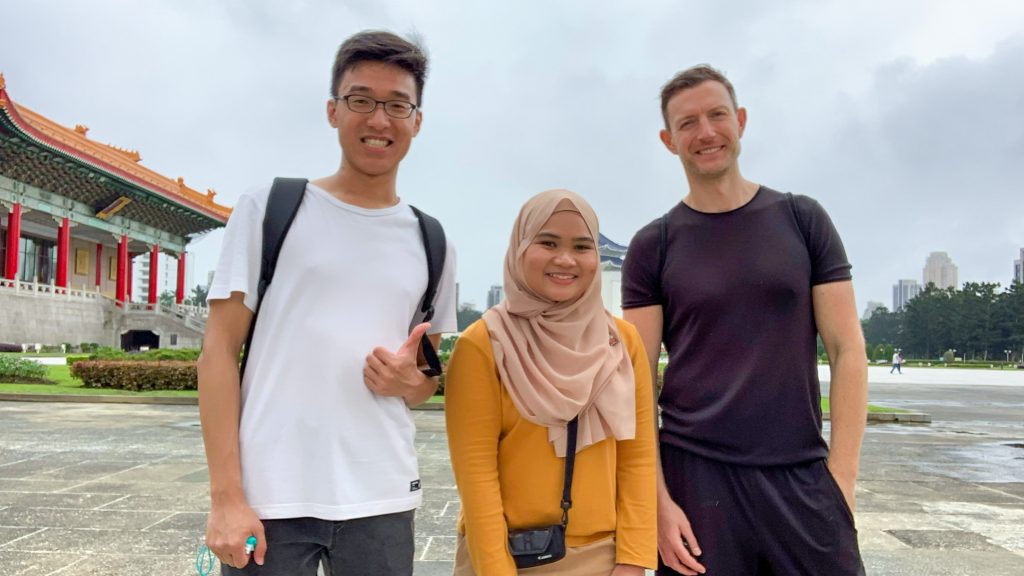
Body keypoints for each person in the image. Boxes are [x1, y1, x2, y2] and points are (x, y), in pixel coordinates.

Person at [197, 30, 456, 575]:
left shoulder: (433, 240)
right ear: (333, 110)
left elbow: (425, 378)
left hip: (382, 495)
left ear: (418, 120)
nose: (379, 120)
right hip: (269, 499)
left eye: (397, 105)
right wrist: (226, 498)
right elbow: (217, 352)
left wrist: (409, 383)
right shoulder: (271, 208)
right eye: (361, 100)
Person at [621, 65, 868, 576]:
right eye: (687, 123)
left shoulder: (803, 219)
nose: (706, 132)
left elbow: (847, 351)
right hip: (697, 479)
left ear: (741, 121)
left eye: (717, 115)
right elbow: (635, 381)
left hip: (801, 472)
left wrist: (841, 478)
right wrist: (658, 502)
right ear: (669, 141)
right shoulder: (654, 245)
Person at [445, 189, 657, 576]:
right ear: (520, 247)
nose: (565, 259)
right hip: (509, 556)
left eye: (581, 246)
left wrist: (633, 561)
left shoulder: (622, 343)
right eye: (547, 242)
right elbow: (477, 476)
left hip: (604, 558)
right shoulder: (483, 345)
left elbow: (638, 456)